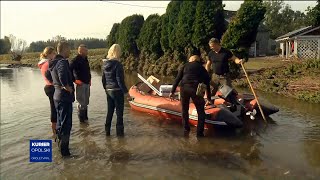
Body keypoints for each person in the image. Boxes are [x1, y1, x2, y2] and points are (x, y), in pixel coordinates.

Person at [169, 50, 212, 137]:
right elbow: (207, 83)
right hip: (195, 89)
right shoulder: (202, 68)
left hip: (184, 89)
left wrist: (172, 92)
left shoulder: (184, 66)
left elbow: (177, 79)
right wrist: (209, 98)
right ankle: (199, 134)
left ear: (191, 60)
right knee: (200, 112)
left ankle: (186, 129)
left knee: (184, 110)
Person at [46, 41, 74, 157]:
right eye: (69, 49)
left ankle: (59, 147)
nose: (70, 51)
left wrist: (56, 84)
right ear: (64, 49)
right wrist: (66, 87)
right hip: (64, 97)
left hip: (57, 95)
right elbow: (62, 75)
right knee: (66, 124)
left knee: (59, 122)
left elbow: (48, 75)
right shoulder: (62, 62)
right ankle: (65, 153)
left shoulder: (53, 62)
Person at [102, 44, 128, 137]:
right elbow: (119, 80)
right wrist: (126, 92)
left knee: (110, 112)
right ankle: (120, 135)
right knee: (119, 113)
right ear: (118, 52)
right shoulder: (118, 65)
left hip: (109, 90)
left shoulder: (105, 64)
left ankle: (107, 133)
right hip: (117, 91)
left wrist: (106, 89)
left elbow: (103, 79)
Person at [38, 46, 57, 137]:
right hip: (52, 87)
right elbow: (52, 77)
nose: (55, 55)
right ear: (49, 54)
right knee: (54, 109)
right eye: (53, 53)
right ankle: (55, 130)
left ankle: (54, 129)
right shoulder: (48, 63)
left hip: (48, 87)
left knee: (53, 108)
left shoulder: (42, 63)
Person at [69, 44, 91, 123]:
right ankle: (81, 122)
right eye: (85, 50)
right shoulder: (75, 60)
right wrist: (74, 80)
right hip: (80, 84)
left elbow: (88, 70)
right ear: (81, 51)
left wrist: (90, 79)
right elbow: (69, 70)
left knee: (86, 102)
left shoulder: (85, 59)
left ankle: (85, 119)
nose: (87, 51)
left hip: (87, 83)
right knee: (81, 103)